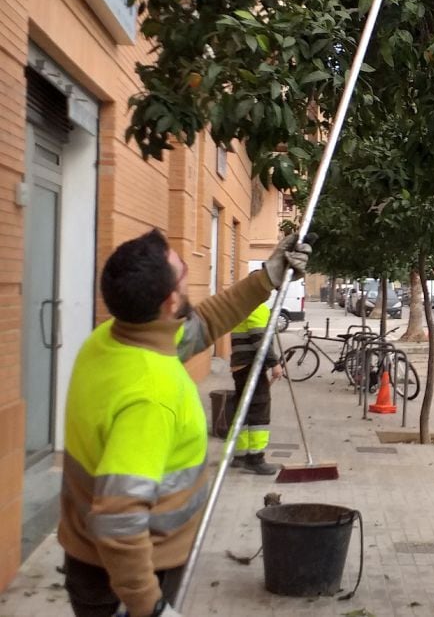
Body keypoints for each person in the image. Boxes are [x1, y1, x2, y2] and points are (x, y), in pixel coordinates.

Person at [59, 230, 311, 617]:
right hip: (129, 579)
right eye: (181, 273)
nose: (188, 269)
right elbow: (118, 519)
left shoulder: (111, 339)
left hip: (95, 565)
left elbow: (206, 321)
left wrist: (267, 278)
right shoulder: (150, 395)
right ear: (169, 302)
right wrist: (150, 607)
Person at [228, 302, 283, 475]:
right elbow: (260, 339)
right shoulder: (256, 307)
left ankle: (240, 455)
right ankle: (256, 458)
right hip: (251, 367)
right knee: (259, 409)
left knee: (244, 410)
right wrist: (274, 363)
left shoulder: (244, 306)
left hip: (241, 366)